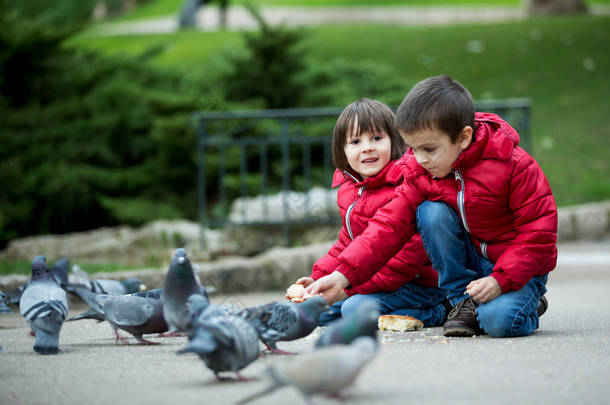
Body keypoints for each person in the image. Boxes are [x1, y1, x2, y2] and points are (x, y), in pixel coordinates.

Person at [307, 75, 557, 338]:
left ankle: (527, 304)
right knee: (431, 210)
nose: (419, 159)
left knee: (499, 322)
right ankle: (461, 302)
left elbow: (538, 236)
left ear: (463, 137)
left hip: (517, 268)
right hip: (472, 268)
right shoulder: (421, 171)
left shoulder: (515, 166)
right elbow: (387, 226)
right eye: (413, 149)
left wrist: (501, 280)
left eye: (428, 149)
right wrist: (343, 275)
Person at [290, 98, 450, 327]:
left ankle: (440, 311)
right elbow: (347, 244)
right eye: (355, 141)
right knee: (316, 311)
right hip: (370, 282)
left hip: (420, 285)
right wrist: (318, 277)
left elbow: (403, 262)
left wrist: (349, 289)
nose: (367, 147)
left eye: (376, 138)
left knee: (352, 309)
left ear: (394, 140)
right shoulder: (350, 191)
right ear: (343, 151)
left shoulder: (406, 186)